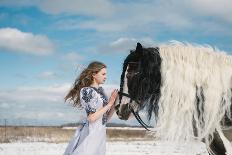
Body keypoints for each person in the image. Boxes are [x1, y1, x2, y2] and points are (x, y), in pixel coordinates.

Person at [63, 61, 118, 155]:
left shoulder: (101, 92)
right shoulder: (87, 91)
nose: (106, 76)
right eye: (103, 74)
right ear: (94, 74)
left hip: (100, 135)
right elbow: (91, 118)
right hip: (90, 134)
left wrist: (114, 104)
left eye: (106, 74)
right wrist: (109, 104)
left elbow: (105, 119)